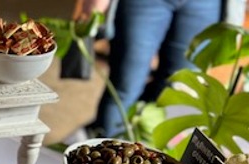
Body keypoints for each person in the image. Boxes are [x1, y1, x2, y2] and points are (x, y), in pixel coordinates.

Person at [80, 0, 233, 138]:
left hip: (205, 5)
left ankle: (136, 150)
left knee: (174, 89)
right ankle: (103, 153)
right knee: (124, 87)